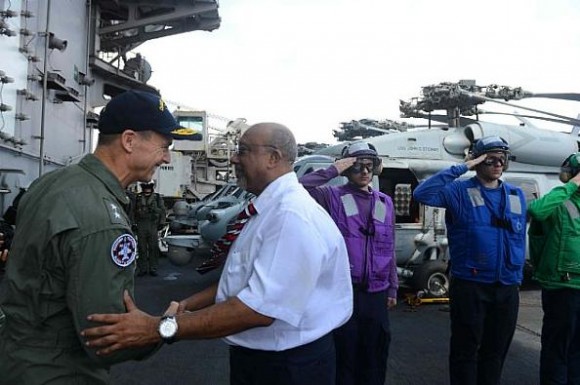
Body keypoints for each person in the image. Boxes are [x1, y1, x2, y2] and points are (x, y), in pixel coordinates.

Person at [81, 122, 354, 385]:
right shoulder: (270, 208)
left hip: (287, 367)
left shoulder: (290, 217)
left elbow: (256, 310)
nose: (234, 158)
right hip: (266, 360)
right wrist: (190, 303)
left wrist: (159, 328)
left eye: (244, 150)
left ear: (273, 157)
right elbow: (246, 276)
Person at [0, 89, 199, 385]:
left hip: (17, 358)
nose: (167, 157)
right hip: (61, 372)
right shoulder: (103, 219)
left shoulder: (51, 182)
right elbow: (106, 342)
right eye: (164, 145)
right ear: (129, 140)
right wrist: (163, 327)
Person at [413, 136, 527, 385]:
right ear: (477, 161)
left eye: (502, 158)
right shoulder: (459, 191)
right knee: (465, 352)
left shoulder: (516, 195)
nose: (497, 163)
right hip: (471, 285)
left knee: (495, 353)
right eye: (490, 159)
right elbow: (423, 193)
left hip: (507, 286)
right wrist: (463, 166)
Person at [298, 141, 398, 385]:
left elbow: (390, 246)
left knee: (374, 356)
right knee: (345, 355)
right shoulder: (331, 196)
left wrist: (393, 286)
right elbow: (296, 188)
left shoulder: (385, 202)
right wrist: (333, 169)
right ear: (346, 169)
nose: (364, 171)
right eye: (357, 166)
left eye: (370, 165)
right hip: (345, 291)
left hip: (377, 292)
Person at [528, 152, 580, 385]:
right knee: (557, 350)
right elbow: (537, 211)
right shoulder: (560, 201)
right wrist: (572, 185)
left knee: (576, 351)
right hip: (563, 286)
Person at [134, 181, 166, 276]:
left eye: (149, 187)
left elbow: (162, 211)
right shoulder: (138, 197)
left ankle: (153, 268)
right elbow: (133, 211)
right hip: (141, 224)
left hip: (152, 224)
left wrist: (161, 223)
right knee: (142, 248)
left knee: (153, 247)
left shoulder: (157, 198)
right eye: (145, 187)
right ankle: (142, 268)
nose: (147, 189)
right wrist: (133, 223)